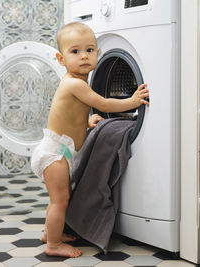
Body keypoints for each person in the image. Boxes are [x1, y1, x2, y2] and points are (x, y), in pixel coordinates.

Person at [31, 22, 149, 258]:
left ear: (98, 53)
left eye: (90, 50)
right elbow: (104, 103)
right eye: (75, 51)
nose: (84, 56)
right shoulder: (75, 83)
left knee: (61, 198)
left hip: (60, 150)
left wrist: (87, 122)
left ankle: (50, 233)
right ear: (61, 59)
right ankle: (52, 244)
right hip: (53, 153)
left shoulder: (77, 82)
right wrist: (133, 102)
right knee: (60, 200)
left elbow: (67, 116)